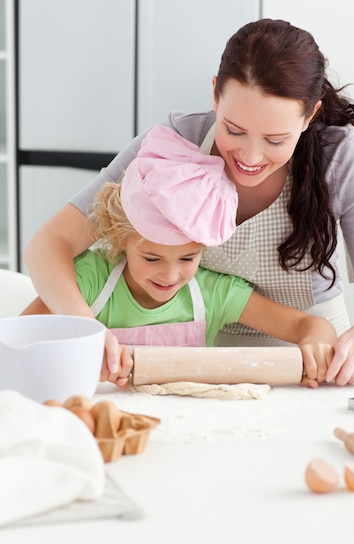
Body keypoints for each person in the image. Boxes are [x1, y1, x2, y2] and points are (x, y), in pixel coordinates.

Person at [24, 18, 354, 386]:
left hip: (311, 355)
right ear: (215, 93)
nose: (251, 156)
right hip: (208, 357)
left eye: (275, 140)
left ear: (310, 115)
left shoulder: (339, 157)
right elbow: (49, 244)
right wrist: (84, 327)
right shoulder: (171, 147)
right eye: (234, 129)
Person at [23, 125, 336, 388]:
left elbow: (308, 326)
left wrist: (316, 345)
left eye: (187, 259)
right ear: (120, 236)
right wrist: (81, 342)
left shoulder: (213, 293)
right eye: (152, 258)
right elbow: (19, 340)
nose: (170, 275)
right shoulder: (91, 280)